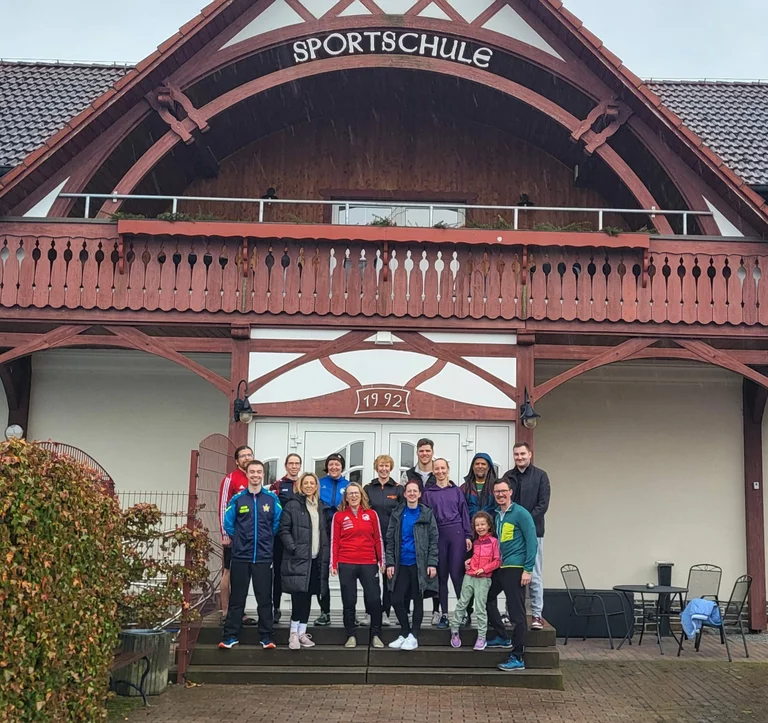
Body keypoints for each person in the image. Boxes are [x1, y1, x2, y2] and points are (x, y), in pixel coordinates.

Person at [219, 459, 282, 650]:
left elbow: (276, 523)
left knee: (265, 598)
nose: (255, 475)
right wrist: (240, 539)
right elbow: (228, 523)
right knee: (237, 598)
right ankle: (230, 636)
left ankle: (266, 636)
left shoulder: (271, 499)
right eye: (252, 472)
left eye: (259, 472)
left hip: (263, 557)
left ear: (263, 475)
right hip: (240, 556)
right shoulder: (237, 499)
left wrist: (265, 539)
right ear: (246, 474)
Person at [485, 478, 537, 672]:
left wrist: (528, 569)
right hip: (501, 567)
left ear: (510, 492)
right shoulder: (497, 515)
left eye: (503, 491)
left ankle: (518, 656)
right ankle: (502, 636)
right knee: (486, 597)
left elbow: (532, 541)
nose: (500, 494)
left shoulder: (521, 514)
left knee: (517, 613)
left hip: (516, 568)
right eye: (497, 492)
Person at [502, 441, 551, 630]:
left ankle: (537, 615)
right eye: (516, 454)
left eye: (523, 454)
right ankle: (510, 613)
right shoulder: (508, 477)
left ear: (529, 454)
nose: (519, 457)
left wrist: (525, 523)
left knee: (534, 575)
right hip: (511, 535)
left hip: (534, 533)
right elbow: (504, 502)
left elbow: (543, 504)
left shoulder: (541, 476)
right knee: (510, 575)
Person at [330, 482, 385, 649]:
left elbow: (378, 538)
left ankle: (376, 634)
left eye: (356, 493)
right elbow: (335, 540)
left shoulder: (371, 514)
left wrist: (382, 560)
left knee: (374, 599)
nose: (353, 496)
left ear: (362, 496)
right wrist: (333, 563)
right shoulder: (339, 516)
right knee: (349, 600)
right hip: (346, 562)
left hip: (368, 562)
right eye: (350, 494)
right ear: (346, 498)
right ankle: (351, 635)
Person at [385, 479, 438, 650]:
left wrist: (432, 563)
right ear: (405, 494)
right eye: (409, 491)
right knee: (396, 599)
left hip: (419, 564)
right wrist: (390, 562)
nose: (412, 494)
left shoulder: (426, 514)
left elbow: (434, 540)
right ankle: (405, 632)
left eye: (415, 491)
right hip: (401, 563)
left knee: (418, 600)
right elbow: (390, 540)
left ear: (420, 494)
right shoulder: (398, 513)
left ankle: (414, 635)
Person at [278, 472, 329, 650]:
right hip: (298, 558)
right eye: (305, 483)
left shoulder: (320, 506)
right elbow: (283, 529)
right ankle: (293, 633)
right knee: (298, 597)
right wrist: (293, 548)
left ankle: (302, 633)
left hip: (315, 559)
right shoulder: (292, 505)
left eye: (312, 483)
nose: (309, 486)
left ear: (316, 486)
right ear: (300, 485)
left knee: (308, 597)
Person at [421, 458, 472, 629]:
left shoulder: (456, 491)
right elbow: (426, 519)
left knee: (457, 575)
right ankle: (444, 614)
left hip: (456, 533)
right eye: (437, 469)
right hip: (438, 535)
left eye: (443, 468)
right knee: (441, 577)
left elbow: (464, 513)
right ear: (433, 471)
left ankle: (463, 613)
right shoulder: (428, 494)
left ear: (448, 469)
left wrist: (468, 535)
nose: (440, 471)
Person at [400, 438, 440, 623]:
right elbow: (403, 499)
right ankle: (407, 610)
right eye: (421, 451)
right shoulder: (408, 475)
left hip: (433, 523)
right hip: (413, 523)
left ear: (432, 452)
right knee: (410, 570)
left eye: (427, 450)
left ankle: (436, 611)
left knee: (433, 569)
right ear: (417, 452)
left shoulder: (438, 472)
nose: (425, 454)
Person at [449, 511, 500, 651]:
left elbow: (497, 561)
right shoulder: (475, 542)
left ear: (489, 526)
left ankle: (481, 637)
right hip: (469, 576)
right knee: (462, 603)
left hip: (483, 579)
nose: (480, 527)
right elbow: (476, 557)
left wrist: (484, 569)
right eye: (477, 525)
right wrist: (469, 561)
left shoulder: (494, 542)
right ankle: (454, 631)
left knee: (480, 608)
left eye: (483, 524)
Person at [364, 454, 403, 627]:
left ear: (391, 468)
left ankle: (385, 613)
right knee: (369, 578)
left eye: (387, 466)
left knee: (389, 578)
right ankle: (369, 613)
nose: (384, 469)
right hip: (370, 540)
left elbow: (402, 514)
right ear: (376, 467)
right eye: (381, 465)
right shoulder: (367, 488)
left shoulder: (398, 489)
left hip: (391, 540)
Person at [218, 445, 252, 619]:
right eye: (243, 456)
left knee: (243, 574)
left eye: (249, 455)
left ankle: (240, 611)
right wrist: (225, 533)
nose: (247, 458)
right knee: (228, 571)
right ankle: (226, 611)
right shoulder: (230, 479)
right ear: (237, 461)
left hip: (250, 536)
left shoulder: (254, 478)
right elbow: (223, 506)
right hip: (234, 535)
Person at [316, 452, 349, 625]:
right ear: (327, 467)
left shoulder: (348, 485)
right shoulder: (319, 484)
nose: (334, 467)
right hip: (322, 532)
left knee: (347, 576)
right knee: (322, 574)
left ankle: (349, 613)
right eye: (331, 464)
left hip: (343, 534)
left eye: (337, 464)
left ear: (342, 467)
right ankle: (325, 611)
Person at [270, 453, 302, 625]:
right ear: (286, 465)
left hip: (299, 537)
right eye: (291, 463)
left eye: (297, 463)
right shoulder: (278, 485)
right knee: (277, 573)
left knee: (297, 574)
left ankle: (297, 612)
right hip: (280, 537)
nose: (294, 466)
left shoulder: (305, 484)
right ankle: (276, 608)